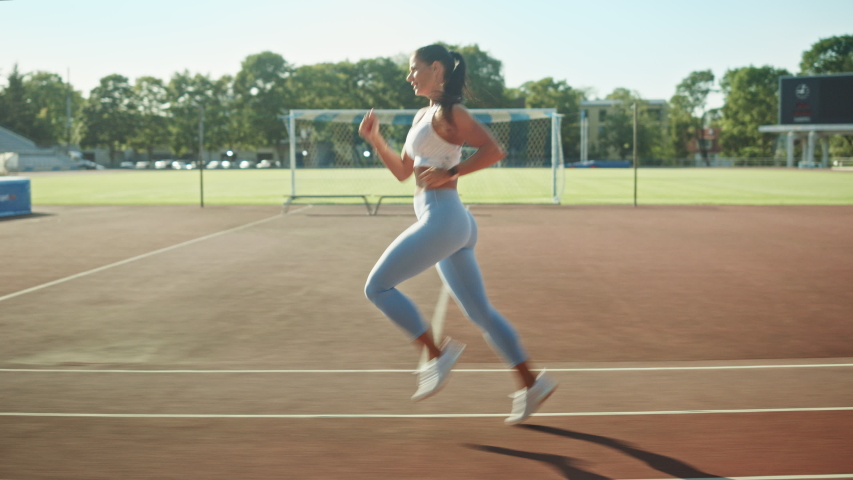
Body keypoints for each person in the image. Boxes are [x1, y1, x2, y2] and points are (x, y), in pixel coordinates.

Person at [359, 44, 556, 425]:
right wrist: (375, 140)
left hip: (444, 219)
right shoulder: (423, 115)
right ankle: (532, 384)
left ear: (436, 69)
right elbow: (404, 171)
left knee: (377, 288)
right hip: (451, 221)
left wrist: (451, 173)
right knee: (479, 312)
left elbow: (493, 150)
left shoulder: (452, 113)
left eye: (414, 68)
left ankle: (436, 354)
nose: (408, 75)